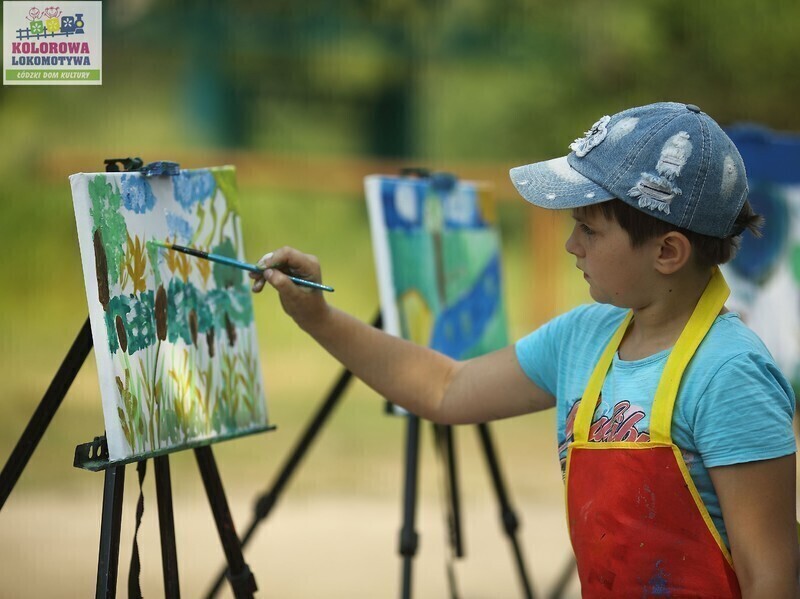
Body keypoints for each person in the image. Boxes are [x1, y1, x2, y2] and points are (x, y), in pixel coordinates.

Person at [250, 102, 800, 598]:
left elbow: (770, 574)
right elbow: (445, 389)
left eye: (588, 229)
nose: (570, 244)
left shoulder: (729, 374)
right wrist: (317, 318)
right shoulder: (583, 338)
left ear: (668, 251)